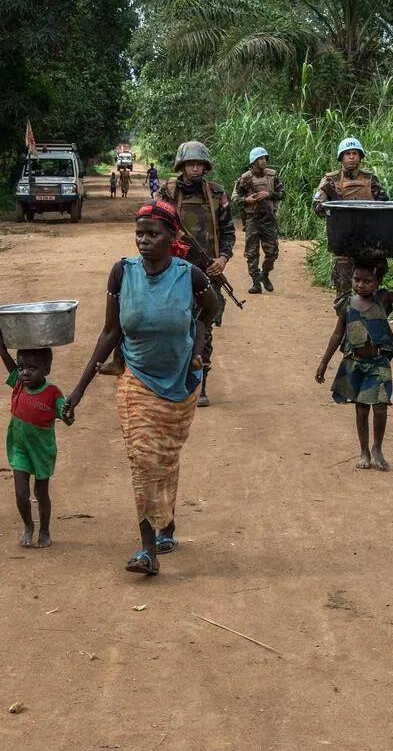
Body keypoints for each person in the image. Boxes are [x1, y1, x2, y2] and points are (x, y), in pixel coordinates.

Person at [65, 200, 219, 575]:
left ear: (173, 236)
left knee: (164, 456)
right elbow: (110, 331)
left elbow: (209, 312)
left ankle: (166, 523)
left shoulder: (191, 277)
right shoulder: (122, 274)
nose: (144, 241)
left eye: (153, 234)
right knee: (142, 457)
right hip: (135, 379)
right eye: (140, 234)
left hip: (181, 382)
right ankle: (147, 548)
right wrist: (78, 390)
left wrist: (197, 347)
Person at [156, 140, 235, 407]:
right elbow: (152, 228)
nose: (196, 168)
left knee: (203, 328)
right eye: (191, 163)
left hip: (207, 271)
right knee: (173, 327)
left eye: (200, 163)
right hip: (173, 271)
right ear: (182, 165)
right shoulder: (166, 193)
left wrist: (222, 260)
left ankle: (200, 385)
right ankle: (174, 382)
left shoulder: (217, 194)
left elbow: (228, 233)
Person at [315, 260, 393, 471]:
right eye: (357, 280)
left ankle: (377, 448)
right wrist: (324, 362)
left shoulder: (383, 299)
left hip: (379, 362)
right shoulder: (347, 303)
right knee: (361, 410)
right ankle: (364, 451)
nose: (361, 285)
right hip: (356, 363)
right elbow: (337, 334)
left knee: (380, 407)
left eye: (367, 281)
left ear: (378, 283)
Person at [0, 319, 73, 548]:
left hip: (42, 450)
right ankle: (28, 525)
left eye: (32, 368)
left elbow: (67, 418)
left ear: (46, 369)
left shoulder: (53, 393)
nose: (25, 372)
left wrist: (68, 413)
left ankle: (45, 529)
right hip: (19, 447)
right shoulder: (18, 383)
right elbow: (3, 353)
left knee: (41, 491)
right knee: (21, 493)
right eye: (21, 367)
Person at [311, 137, 389, 300]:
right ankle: (345, 323)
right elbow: (317, 208)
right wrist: (333, 207)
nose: (351, 157)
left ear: (360, 157)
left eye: (355, 153)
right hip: (343, 242)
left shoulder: (369, 179)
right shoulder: (330, 180)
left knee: (370, 287)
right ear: (342, 157)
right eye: (347, 154)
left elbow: (384, 204)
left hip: (368, 241)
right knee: (343, 291)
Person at [232, 146, 285, 294]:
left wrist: (269, 194)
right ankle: (255, 282)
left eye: (264, 158)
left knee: (272, 252)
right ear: (253, 162)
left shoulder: (273, 176)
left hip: (269, 219)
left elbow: (282, 193)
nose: (263, 161)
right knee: (252, 253)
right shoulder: (245, 179)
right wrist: (246, 200)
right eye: (260, 159)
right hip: (252, 220)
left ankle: (265, 275)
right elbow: (235, 198)